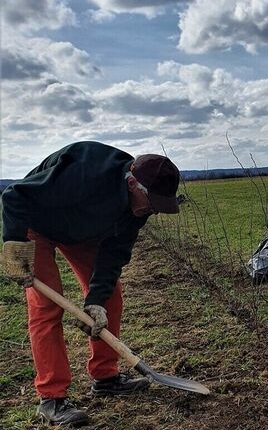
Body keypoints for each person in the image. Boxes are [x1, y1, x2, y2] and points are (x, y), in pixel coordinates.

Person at [1, 141, 181, 426]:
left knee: (110, 296)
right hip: (37, 225)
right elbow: (14, 196)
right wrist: (15, 248)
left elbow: (115, 253)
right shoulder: (85, 173)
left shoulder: (140, 209)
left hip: (82, 233)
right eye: (151, 203)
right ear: (133, 184)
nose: (152, 211)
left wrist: (95, 299)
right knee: (47, 308)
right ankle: (52, 398)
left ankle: (105, 376)